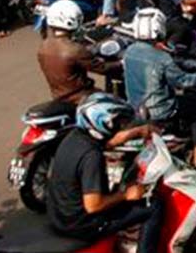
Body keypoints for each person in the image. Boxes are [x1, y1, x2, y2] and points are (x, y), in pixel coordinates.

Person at [46, 93, 161, 251]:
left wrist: (136, 132)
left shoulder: (74, 137)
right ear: (105, 124)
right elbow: (93, 205)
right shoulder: (92, 157)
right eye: (118, 123)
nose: (121, 125)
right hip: (82, 226)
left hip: (58, 216)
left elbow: (106, 143)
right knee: (154, 207)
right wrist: (126, 195)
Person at [121, 10, 196, 169]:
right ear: (159, 28)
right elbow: (184, 81)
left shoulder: (129, 52)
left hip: (136, 108)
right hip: (161, 110)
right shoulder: (162, 58)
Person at [37, 0, 99, 103]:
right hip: (82, 97)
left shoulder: (43, 46)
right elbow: (101, 67)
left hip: (57, 96)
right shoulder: (75, 49)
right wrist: (121, 63)